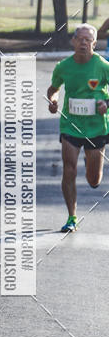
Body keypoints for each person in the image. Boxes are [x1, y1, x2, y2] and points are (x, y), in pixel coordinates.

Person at [47, 23, 109, 232]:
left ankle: (91, 161)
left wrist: (106, 104)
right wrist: (53, 101)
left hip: (96, 128)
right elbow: (53, 89)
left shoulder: (102, 66)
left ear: (94, 43)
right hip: (70, 126)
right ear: (73, 41)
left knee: (93, 180)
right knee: (69, 169)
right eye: (80, 39)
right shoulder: (63, 66)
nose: (84, 42)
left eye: (88, 39)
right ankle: (72, 217)